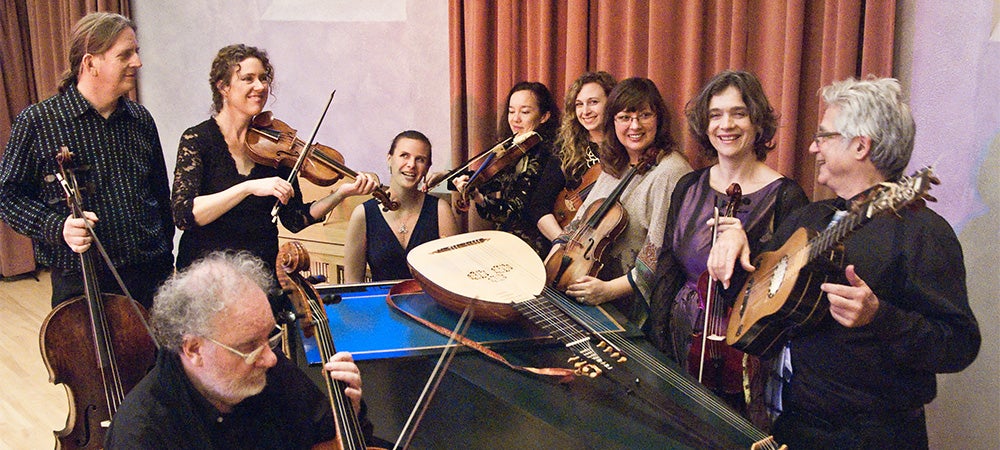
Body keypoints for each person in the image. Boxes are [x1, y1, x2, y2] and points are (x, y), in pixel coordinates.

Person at [708, 77, 980, 448]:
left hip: (871, 438)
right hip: (790, 426)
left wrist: (880, 316)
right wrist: (735, 251)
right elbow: (751, 305)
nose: (812, 146)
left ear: (860, 146)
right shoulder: (809, 218)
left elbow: (959, 345)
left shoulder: (922, 232)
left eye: (824, 136)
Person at [641, 70, 809, 427]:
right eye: (715, 114)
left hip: (747, 355)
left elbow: (789, 290)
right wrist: (658, 346)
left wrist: (751, 248)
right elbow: (669, 268)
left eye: (738, 113)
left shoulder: (786, 197)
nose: (725, 125)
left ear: (758, 122)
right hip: (681, 338)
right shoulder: (688, 186)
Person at [104, 251, 374, 448]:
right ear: (194, 349)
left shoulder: (269, 368)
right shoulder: (142, 434)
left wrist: (348, 410)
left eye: (269, 336)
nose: (269, 358)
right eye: (249, 346)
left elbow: (328, 435)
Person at [0, 12, 173, 309]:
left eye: (137, 52)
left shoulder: (140, 119)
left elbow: (159, 194)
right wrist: (58, 227)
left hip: (150, 275)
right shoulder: (39, 122)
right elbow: (7, 196)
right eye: (125, 55)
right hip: (83, 278)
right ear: (90, 63)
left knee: (159, 357)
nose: (137, 63)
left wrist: (165, 253)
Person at [171, 44, 379, 273]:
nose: (260, 86)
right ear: (224, 87)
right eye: (248, 79)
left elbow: (295, 219)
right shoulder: (198, 140)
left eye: (263, 78)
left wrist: (341, 194)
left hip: (260, 271)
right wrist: (247, 187)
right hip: (206, 274)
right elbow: (185, 215)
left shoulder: (275, 146)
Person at [551, 77, 692, 326]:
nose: (634, 126)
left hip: (631, 308)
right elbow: (578, 224)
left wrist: (607, 290)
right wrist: (550, 264)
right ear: (613, 122)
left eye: (644, 115)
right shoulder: (614, 163)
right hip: (593, 293)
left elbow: (657, 259)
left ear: (659, 119)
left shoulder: (671, 171)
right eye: (624, 117)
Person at [453, 81, 565, 256]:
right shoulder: (515, 149)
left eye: (525, 112)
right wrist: (451, 178)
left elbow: (515, 211)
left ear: (544, 116)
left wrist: (480, 199)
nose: (515, 119)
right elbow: (489, 179)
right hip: (505, 241)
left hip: (531, 248)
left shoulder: (546, 155)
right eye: (511, 111)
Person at [342, 130, 458, 282]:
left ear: (427, 167)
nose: (411, 165)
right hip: (381, 304)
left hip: (430, 304)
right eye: (404, 155)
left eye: (420, 160)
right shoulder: (363, 214)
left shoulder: (441, 210)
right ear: (389, 159)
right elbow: (352, 284)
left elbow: (454, 278)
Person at [552, 71, 617, 225]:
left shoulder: (627, 148)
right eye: (579, 104)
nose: (585, 111)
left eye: (593, 102)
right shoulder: (565, 146)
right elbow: (539, 206)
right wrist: (562, 241)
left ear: (611, 102)